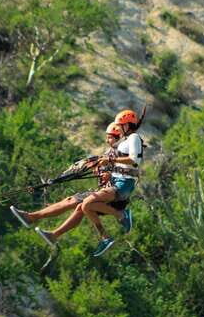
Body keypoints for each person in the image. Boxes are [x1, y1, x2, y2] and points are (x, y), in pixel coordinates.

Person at [9, 122, 132, 254]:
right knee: (76, 205)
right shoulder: (109, 153)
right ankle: (53, 235)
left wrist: (109, 172)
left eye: (111, 137)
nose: (108, 140)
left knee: (73, 202)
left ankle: (31, 217)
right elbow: (85, 165)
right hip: (105, 193)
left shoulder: (123, 153)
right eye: (107, 137)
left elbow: (127, 171)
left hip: (115, 196)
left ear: (119, 137)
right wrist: (56, 179)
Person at [66, 109, 142, 257]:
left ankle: (121, 215)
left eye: (121, 126)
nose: (119, 128)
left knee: (86, 203)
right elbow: (120, 163)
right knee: (86, 206)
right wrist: (105, 170)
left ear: (128, 125)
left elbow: (134, 160)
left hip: (124, 183)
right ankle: (105, 237)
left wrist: (110, 160)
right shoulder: (124, 142)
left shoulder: (134, 138)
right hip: (117, 181)